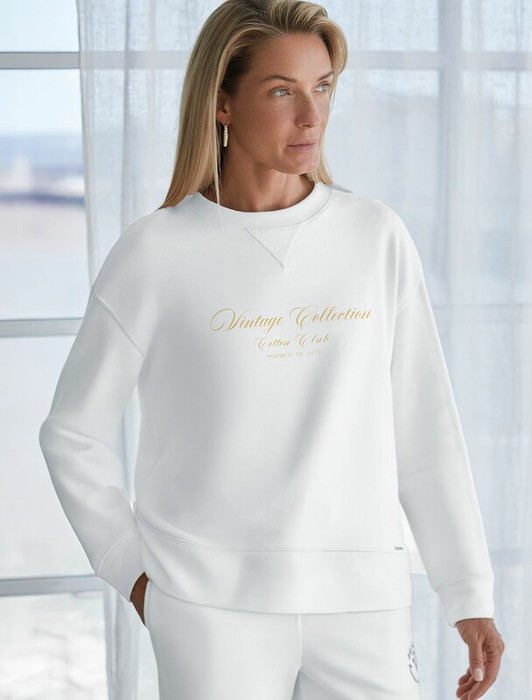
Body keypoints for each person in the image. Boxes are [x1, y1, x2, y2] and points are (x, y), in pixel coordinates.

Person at [39, 0, 505, 698]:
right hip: (208, 605)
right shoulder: (156, 252)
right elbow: (73, 433)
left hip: (363, 599)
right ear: (222, 103)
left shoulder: (374, 236)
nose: (312, 115)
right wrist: (134, 575)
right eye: (283, 91)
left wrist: (468, 592)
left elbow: (425, 428)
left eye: (323, 87)